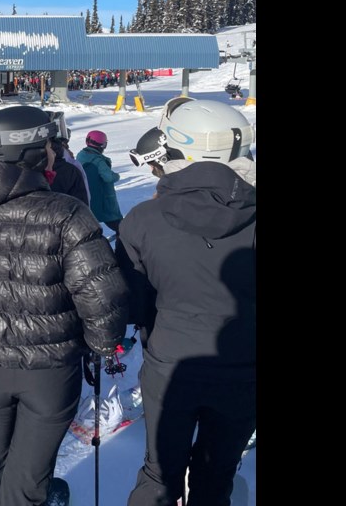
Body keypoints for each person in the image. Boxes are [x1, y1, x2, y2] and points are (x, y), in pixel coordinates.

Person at [0, 106, 130, 506]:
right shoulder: (66, 213)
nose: (55, 152)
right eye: (48, 146)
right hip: (49, 369)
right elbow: (101, 295)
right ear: (35, 154)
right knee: (28, 478)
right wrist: (104, 344)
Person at [119, 97, 256, 506]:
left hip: (171, 364)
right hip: (243, 367)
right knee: (217, 471)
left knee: (160, 472)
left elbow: (133, 301)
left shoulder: (143, 219)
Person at [77, 129, 123, 234]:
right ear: (103, 145)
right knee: (120, 226)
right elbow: (108, 177)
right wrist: (117, 176)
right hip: (103, 199)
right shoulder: (98, 161)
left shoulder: (81, 156)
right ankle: (123, 244)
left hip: (88, 197)